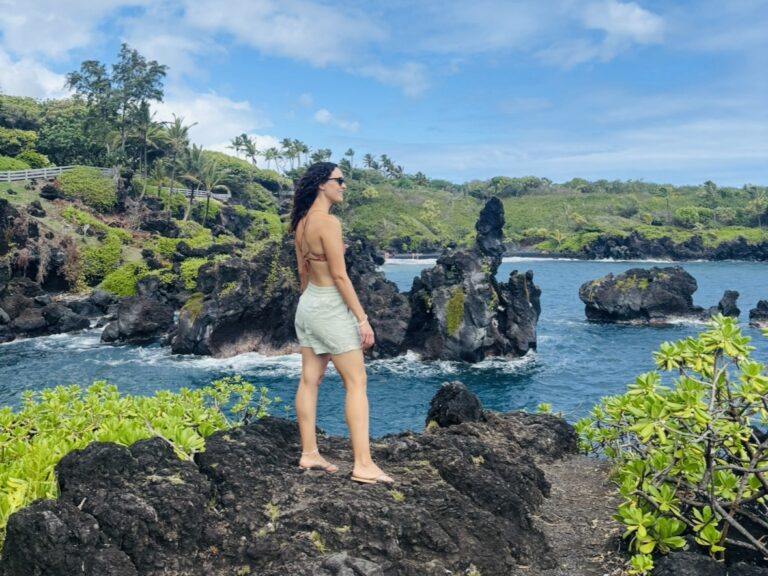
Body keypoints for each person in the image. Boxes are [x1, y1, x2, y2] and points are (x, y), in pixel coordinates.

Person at [290, 162, 394, 485]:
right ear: (323, 184)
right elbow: (339, 276)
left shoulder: (302, 224)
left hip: (307, 306)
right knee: (356, 382)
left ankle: (309, 452)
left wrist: (311, 309)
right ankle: (362, 463)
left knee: (310, 379)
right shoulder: (328, 223)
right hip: (330, 308)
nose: (344, 185)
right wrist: (362, 319)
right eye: (339, 180)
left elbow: (303, 274)